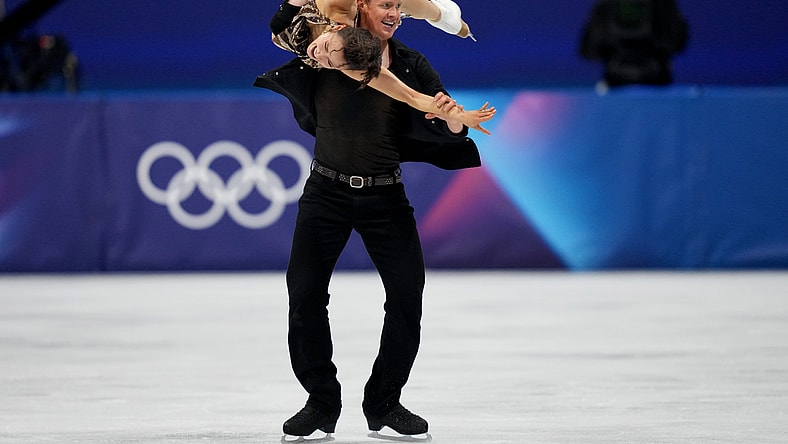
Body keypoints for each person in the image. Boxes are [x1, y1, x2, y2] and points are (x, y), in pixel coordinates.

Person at [254, 0, 489, 440]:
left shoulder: (410, 62)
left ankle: (384, 402)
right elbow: (281, 21)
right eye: (386, 4)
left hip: (385, 196)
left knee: (406, 297)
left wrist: (455, 124)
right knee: (304, 295)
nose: (395, 12)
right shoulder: (321, 45)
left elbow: (444, 121)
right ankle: (320, 403)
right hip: (325, 193)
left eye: (400, 7)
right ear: (361, 6)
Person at [269, 0, 493, 134]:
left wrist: (463, 117)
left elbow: (411, 97)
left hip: (355, 17)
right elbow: (411, 96)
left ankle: (450, 19)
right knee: (431, 14)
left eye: (328, 60)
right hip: (355, 12)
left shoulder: (348, 63)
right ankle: (449, 19)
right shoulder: (336, 8)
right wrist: (288, 8)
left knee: (444, 19)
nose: (318, 54)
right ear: (336, 29)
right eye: (327, 50)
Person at [579, 0, 689, 88]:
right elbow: (677, 42)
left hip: (650, 80)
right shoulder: (664, 5)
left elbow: (590, 50)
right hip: (650, 79)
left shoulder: (604, 5)